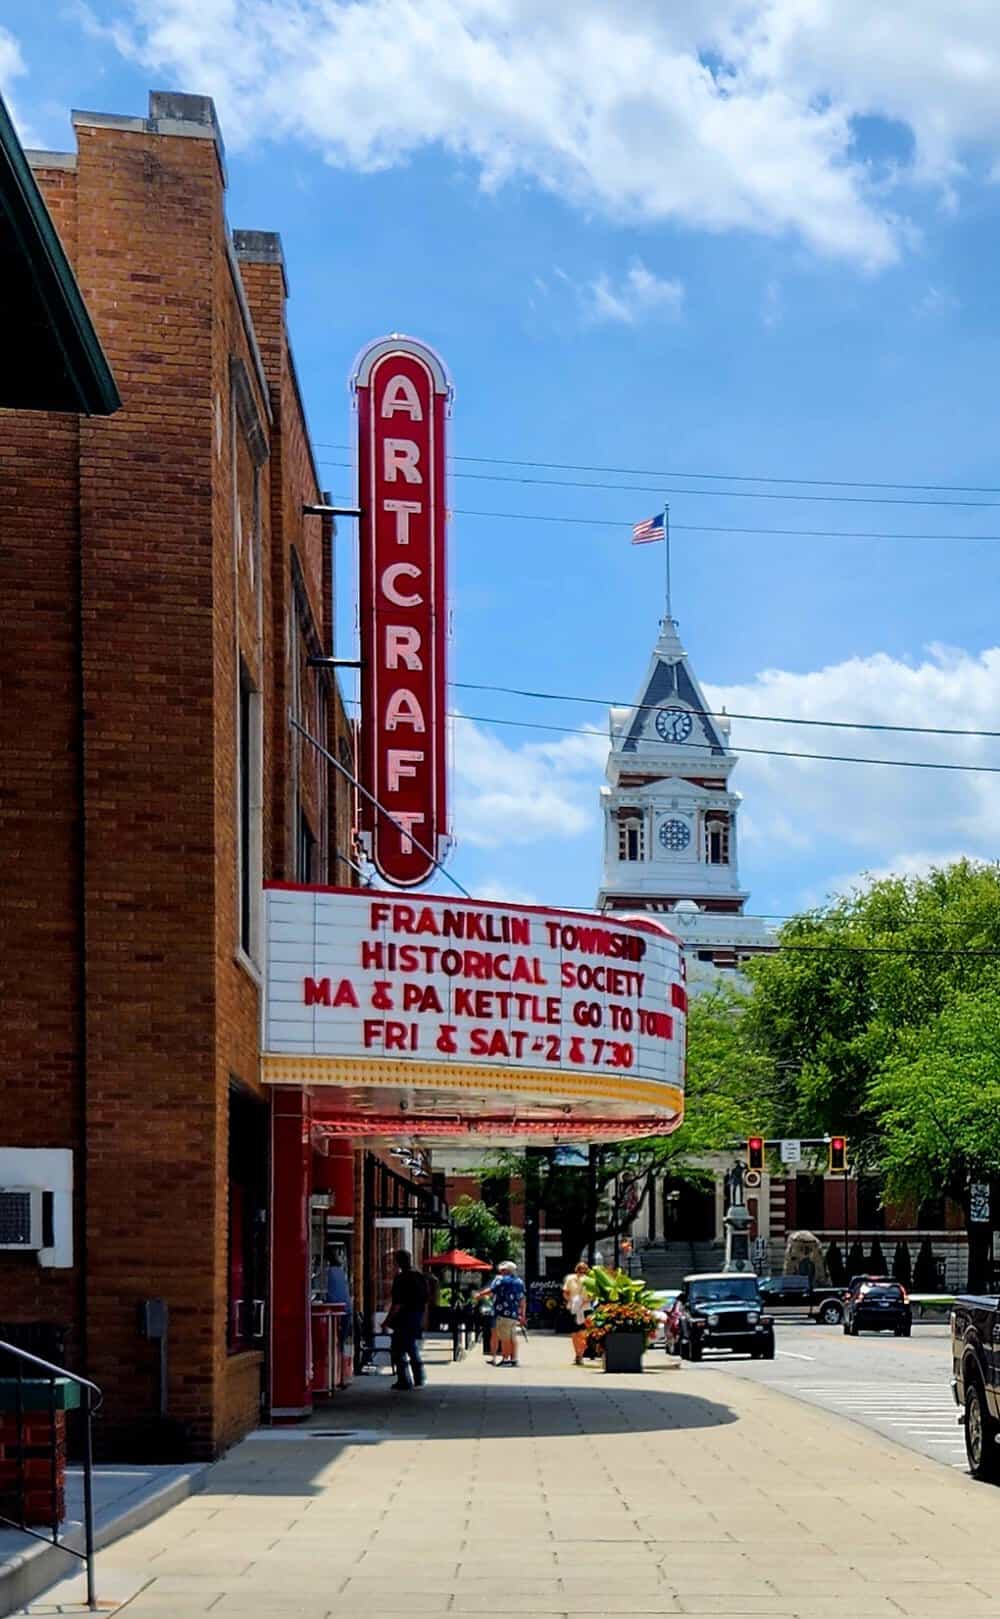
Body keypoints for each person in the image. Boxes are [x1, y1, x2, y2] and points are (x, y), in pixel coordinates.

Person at [384, 1249, 429, 1391]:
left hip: (403, 1318)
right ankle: (419, 1377)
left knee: (398, 1350)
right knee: (411, 1346)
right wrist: (423, 1318)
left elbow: (397, 1304)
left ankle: (404, 1380)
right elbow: (426, 1299)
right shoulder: (420, 1276)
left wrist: (387, 1320)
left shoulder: (401, 1279)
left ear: (398, 1262)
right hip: (416, 1316)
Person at [490, 1260, 527, 1366]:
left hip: (502, 1313)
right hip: (514, 1314)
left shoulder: (501, 1280)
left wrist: (479, 1295)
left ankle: (505, 1359)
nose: (500, 1272)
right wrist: (523, 1315)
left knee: (505, 1338)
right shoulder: (519, 1281)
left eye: (502, 1270)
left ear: (506, 1271)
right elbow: (523, 1299)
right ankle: (514, 1359)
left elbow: (492, 1291)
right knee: (513, 1337)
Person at [563, 1261, 592, 1365]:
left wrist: (584, 1302)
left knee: (582, 1334)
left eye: (583, 1270)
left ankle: (580, 1354)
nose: (582, 1272)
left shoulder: (589, 1280)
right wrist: (571, 1301)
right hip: (574, 1308)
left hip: (584, 1308)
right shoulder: (570, 1279)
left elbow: (592, 1295)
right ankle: (578, 1354)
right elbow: (566, 1292)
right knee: (576, 1334)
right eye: (580, 1270)